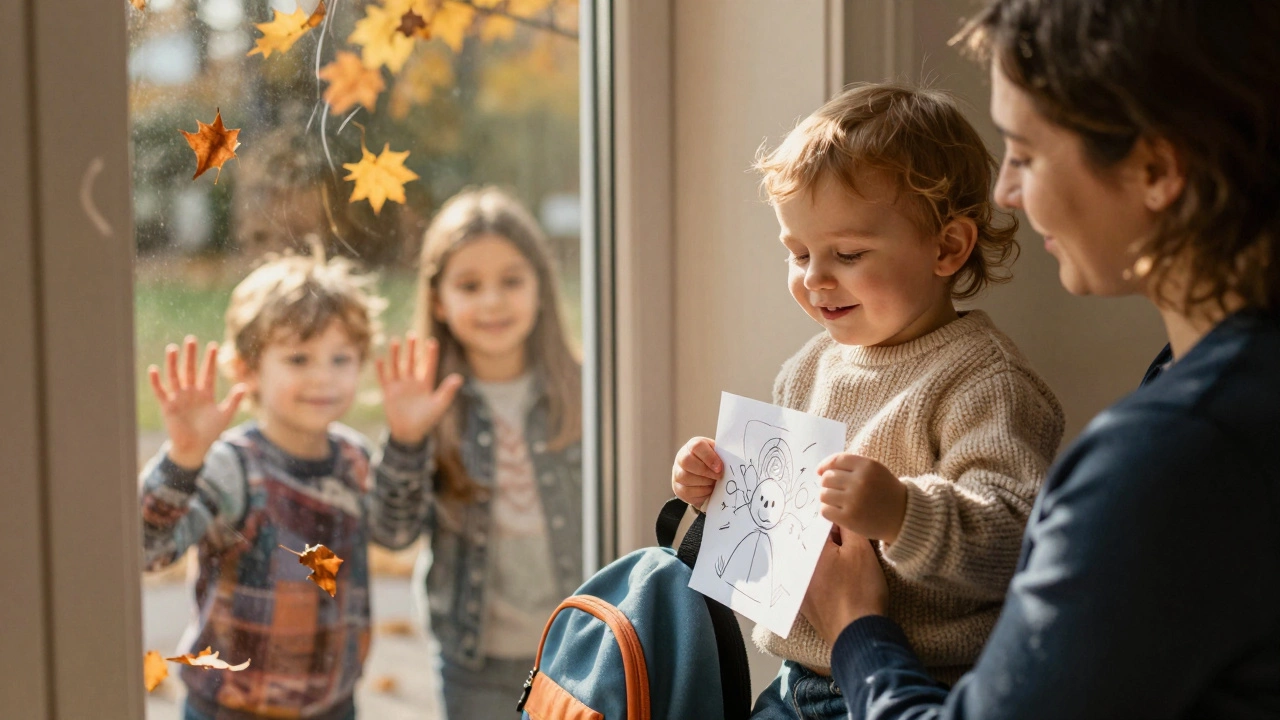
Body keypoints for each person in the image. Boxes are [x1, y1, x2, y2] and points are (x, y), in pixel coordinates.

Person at [803, 2, 1280, 718]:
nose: (1006, 193)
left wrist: (856, 631)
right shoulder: (1209, 391)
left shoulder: (1176, 458)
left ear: (1155, 167)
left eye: (1024, 154)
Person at [671, 82, 1065, 718]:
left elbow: (1015, 533)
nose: (815, 278)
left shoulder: (983, 381)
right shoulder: (808, 369)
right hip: (794, 678)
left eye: (847, 254)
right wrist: (721, 484)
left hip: (923, 684)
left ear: (947, 248)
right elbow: (782, 520)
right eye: (797, 253)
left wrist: (903, 511)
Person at [139, 247, 459, 720]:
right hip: (228, 709)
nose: (322, 377)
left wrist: (408, 443)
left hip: (332, 706)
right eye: (298, 358)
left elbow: (396, 533)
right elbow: (148, 549)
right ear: (248, 370)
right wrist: (184, 460)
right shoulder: (233, 468)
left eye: (340, 358)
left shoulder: (352, 460)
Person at [398, 186, 583, 718]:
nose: (493, 301)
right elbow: (392, 532)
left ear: (541, 288)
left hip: (576, 649)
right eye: (470, 285)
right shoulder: (430, 404)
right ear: (438, 300)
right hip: (471, 662)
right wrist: (407, 441)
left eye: (511, 281)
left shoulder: (584, 392)